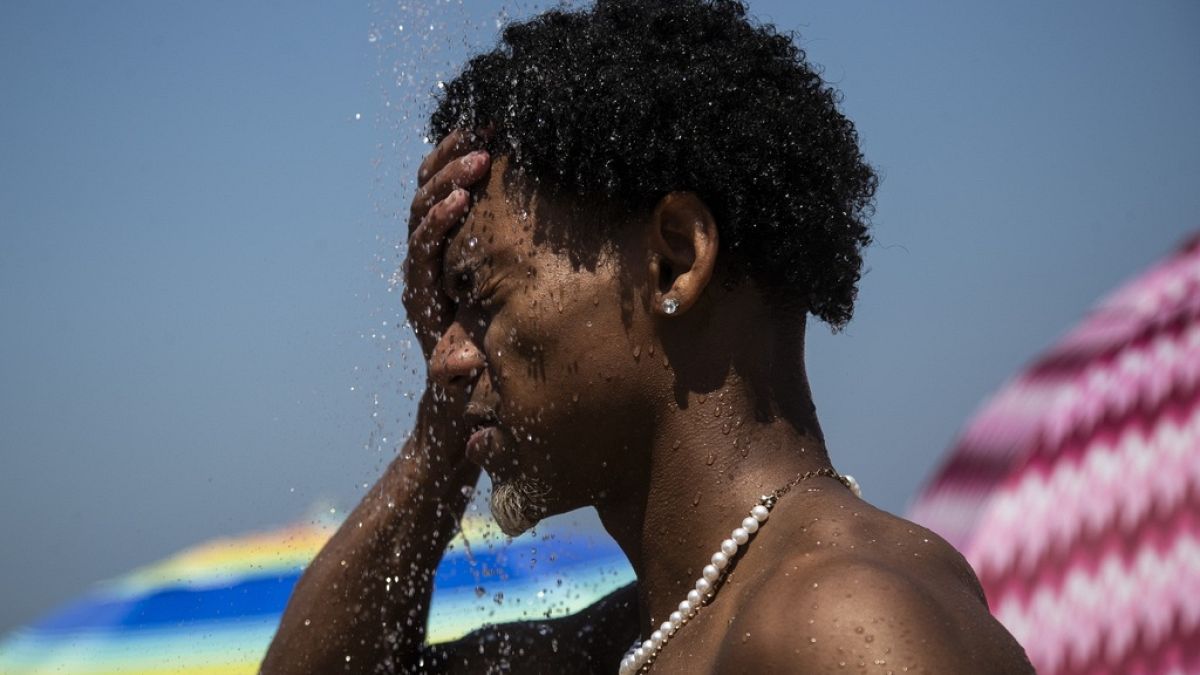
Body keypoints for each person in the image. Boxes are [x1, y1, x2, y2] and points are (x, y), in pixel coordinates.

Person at [264, 1, 1033, 672]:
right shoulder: (646, 636)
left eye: (484, 298)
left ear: (673, 260)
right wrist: (440, 439)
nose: (451, 355)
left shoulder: (837, 621)